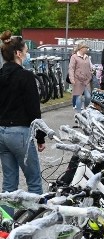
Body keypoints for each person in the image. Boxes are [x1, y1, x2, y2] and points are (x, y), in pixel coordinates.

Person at [0, 31, 46, 202]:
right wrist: (40, 137)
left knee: (9, 184)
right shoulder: (25, 76)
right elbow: (34, 110)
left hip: (2, 132)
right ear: (18, 54)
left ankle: (6, 222)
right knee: (34, 182)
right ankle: (35, 223)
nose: (26, 55)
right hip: (20, 132)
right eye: (26, 52)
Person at [69, 41, 93, 113]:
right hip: (77, 80)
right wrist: (72, 79)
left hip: (86, 80)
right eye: (86, 47)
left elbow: (89, 66)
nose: (87, 49)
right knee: (78, 97)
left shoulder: (87, 57)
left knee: (88, 97)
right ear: (81, 48)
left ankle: (85, 109)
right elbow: (71, 68)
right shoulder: (74, 57)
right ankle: (78, 114)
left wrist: (91, 73)